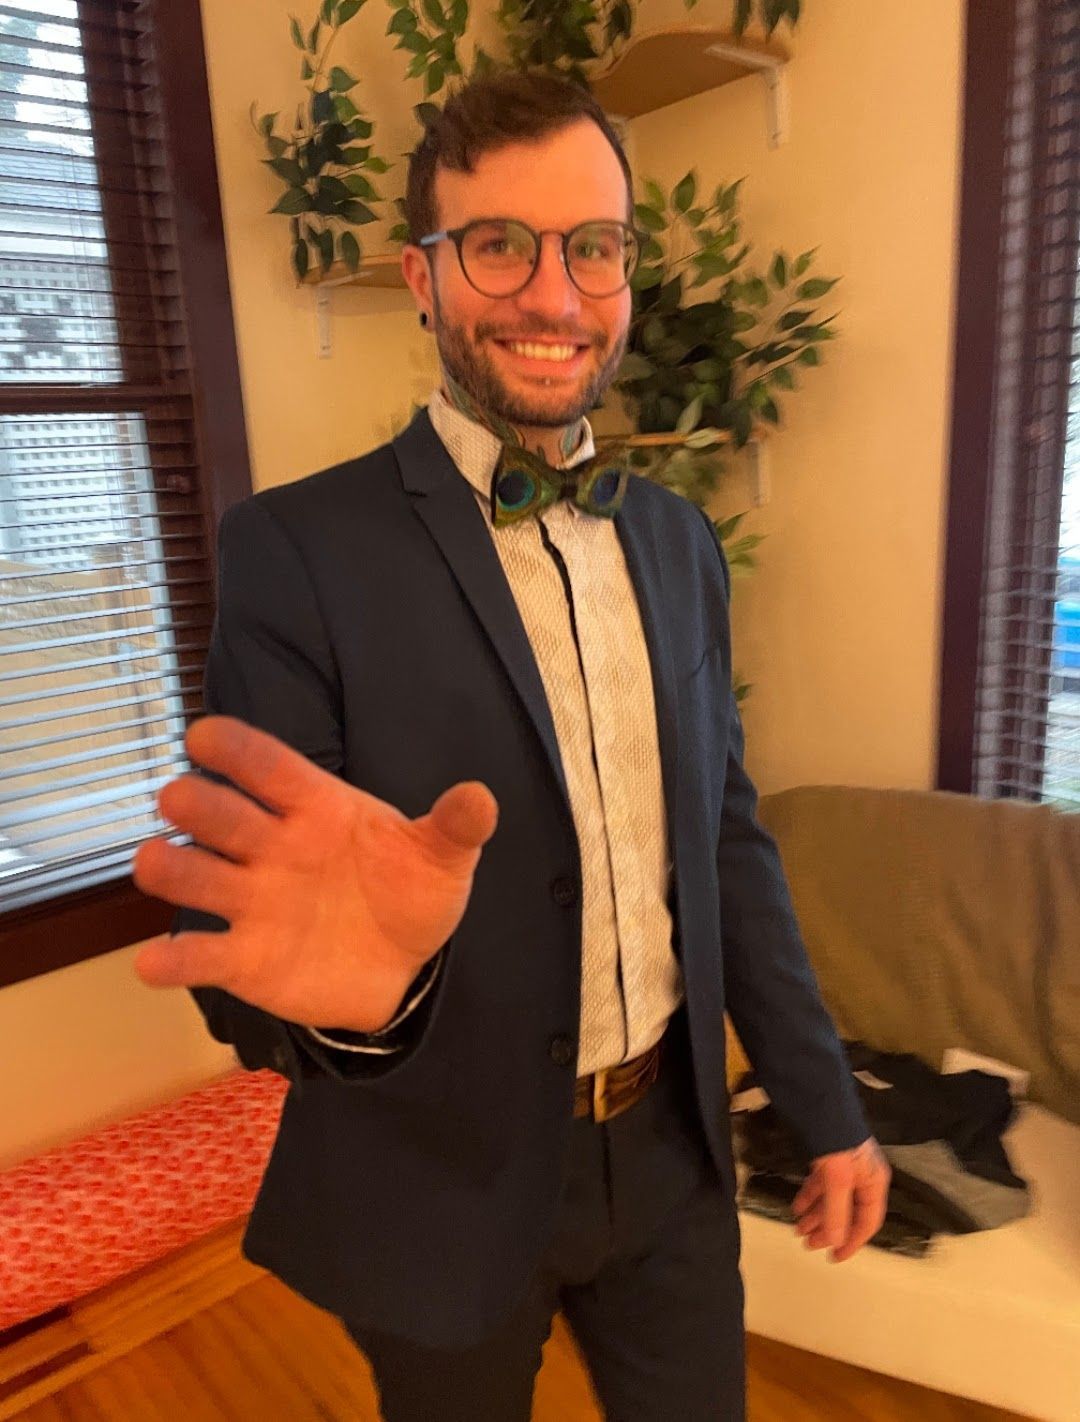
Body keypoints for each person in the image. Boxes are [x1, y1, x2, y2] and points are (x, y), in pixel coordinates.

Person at [131, 67, 890, 1422]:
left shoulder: (678, 541)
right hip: (437, 1180)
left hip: (670, 1157)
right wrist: (365, 1002)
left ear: (626, 274)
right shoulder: (297, 553)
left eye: (592, 246)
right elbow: (257, 949)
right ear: (423, 279)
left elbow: (727, 842)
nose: (553, 295)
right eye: (498, 244)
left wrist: (826, 1106)